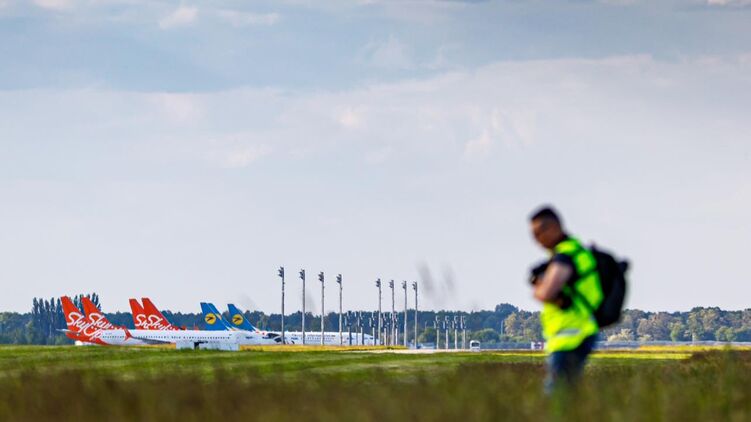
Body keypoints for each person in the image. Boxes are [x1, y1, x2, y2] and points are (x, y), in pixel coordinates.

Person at [529, 206, 603, 393]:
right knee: (567, 393)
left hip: (570, 337)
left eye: (538, 233)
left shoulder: (565, 257)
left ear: (553, 228)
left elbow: (546, 293)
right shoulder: (577, 251)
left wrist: (537, 285)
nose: (537, 240)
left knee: (557, 396)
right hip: (580, 332)